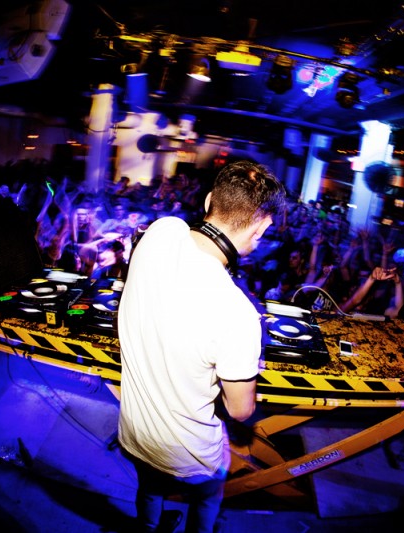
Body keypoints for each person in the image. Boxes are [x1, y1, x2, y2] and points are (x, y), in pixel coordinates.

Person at [117, 160, 286, 533]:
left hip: (134, 432)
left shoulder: (161, 231)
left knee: (149, 488)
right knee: (208, 497)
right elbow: (240, 410)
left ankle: (148, 526)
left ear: (210, 200)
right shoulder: (237, 314)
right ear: (262, 227)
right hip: (188, 454)